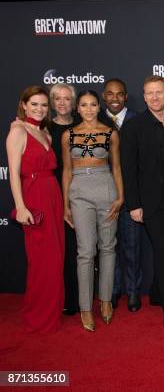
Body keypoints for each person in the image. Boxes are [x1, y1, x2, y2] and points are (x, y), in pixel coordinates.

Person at [121, 76, 164, 329]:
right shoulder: (133, 126)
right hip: (150, 201)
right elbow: (128, 168)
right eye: (150, 93)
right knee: (161, 249)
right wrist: (133, 204)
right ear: (144, 97)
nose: (155, 97)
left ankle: (157, 292)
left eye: (159, 92)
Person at [62, 90, 123, 332]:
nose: (88, 109)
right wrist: (65, 203)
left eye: (93, 105)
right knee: (85, 251)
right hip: (79, 190)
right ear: (77, 108)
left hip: (106, 187)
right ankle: (86, 307)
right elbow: (66, 170)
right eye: (84, 105)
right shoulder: (68, 135)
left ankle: (106, 300)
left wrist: (121, 197)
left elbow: (116, 167)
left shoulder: (110, 134)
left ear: (99, 107)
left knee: (107, 247)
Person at [6, 86, 64, 333]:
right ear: (24, 105)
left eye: (43, 105)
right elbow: (13, 173)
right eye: (35, 104)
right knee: (42, 260)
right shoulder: (18, 132)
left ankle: (51, 311)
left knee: (56, 257)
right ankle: (37, 316)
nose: (40, 109)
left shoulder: (46, 132)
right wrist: (20, 206)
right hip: (34, 197)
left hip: (52, 194)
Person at [102, 78, 143, 312]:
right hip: (104, 195)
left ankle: (133, 292)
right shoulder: (95, 121)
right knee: (109, 247)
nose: (115, 98)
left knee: (132, 247)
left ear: (126, 96)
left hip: (131, 195)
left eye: (119, 94)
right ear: (104, 96)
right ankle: (113, 290)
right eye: (110, 94)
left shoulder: (138, 120)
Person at [48, 82, 79, 316]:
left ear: (74, 102)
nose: (61, 102)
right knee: (57, 249)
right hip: (52, 193)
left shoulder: (83, 126)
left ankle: (78, 298)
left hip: (80, 193)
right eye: (57, 98)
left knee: (79, 248)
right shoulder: (44, 128)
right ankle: (61, 298)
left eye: (66, 98)